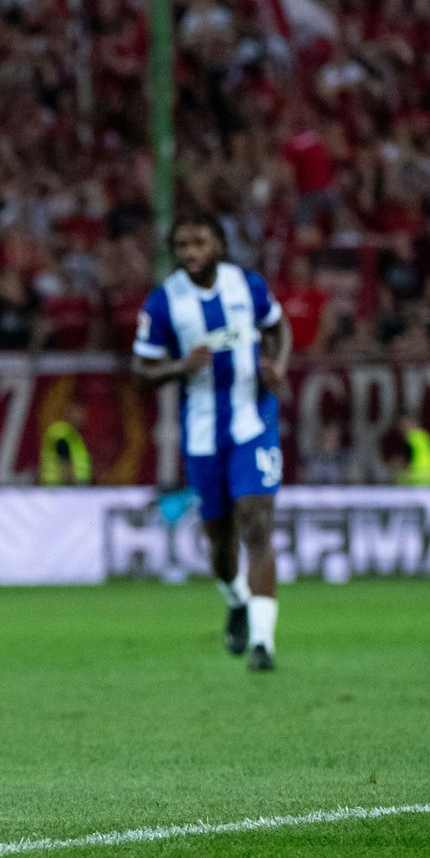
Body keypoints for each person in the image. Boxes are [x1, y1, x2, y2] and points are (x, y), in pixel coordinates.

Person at [133, 211, 292, 673]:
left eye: (199, 244)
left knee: (256, 522)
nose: (191, 254)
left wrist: (277, 364)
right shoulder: (164, 304)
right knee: (220, 545)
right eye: (182, 246)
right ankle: (235, 598)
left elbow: (278, 327)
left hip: (253, 421)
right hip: (203, 432)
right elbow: (140, 370)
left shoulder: (248, 286)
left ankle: (263, 643)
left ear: (218, 244)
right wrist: (178, 368)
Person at [39, 395, 93, 486]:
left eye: (82, 412)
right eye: (77, 411)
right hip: (61, 492)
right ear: (68, 411)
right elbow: (65, 468)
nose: (80, 416)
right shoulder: (63, 434)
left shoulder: (72, 435)